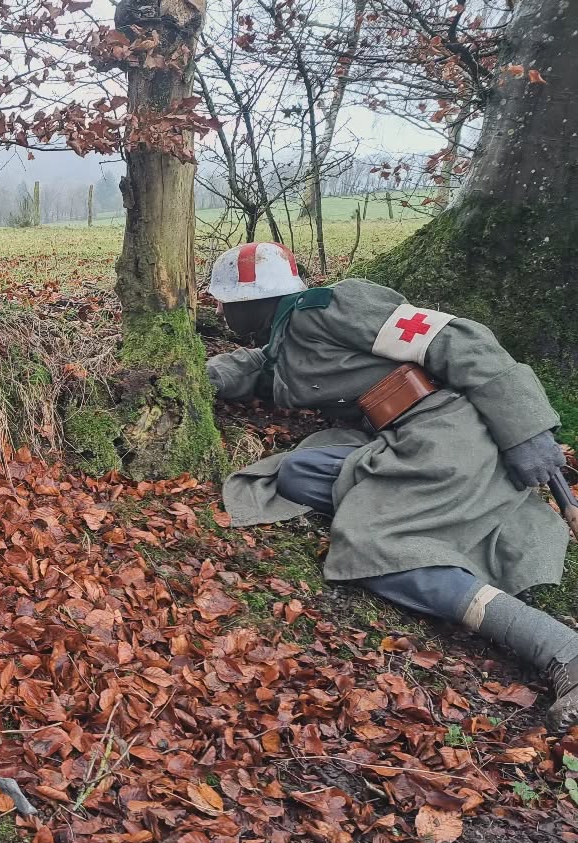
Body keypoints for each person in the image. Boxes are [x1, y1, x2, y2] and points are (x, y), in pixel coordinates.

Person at [205, 240, 578, 728]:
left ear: (248, 303)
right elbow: (259, 368)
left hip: (446, 435)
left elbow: (459, 339)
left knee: (376, 548)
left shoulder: (332, 306)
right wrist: (192, 377)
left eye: (225, 302)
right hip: (404, 443)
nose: (219, 310)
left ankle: (561, 649)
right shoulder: (288, 337)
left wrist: (525, 430)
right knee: (295, 472)